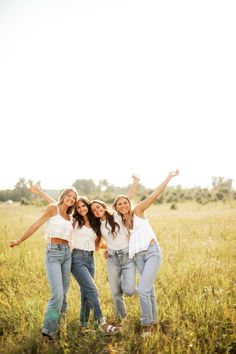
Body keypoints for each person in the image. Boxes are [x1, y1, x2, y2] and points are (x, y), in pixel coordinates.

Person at [29, 186, 120, 334]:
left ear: (88, 206)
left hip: (90, 259)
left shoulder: (95, 223)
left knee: (85, 294)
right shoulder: (73, 220)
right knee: (92, 290)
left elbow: (96, 243)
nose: (82, 208)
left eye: (84, 205)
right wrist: (40, 193)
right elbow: (57, 206)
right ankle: (101, 322)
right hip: (76, 259)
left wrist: (110, 247)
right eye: (78, 206)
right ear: (75, 209)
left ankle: (84, 325)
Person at [112, 170, 179, 335]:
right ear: (116, 208)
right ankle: (153, 322)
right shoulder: (121, 222)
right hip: (138, 257)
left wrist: (169, 177)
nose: (123, 205)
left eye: (125, 202)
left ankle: (146, 325)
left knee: (142, 289)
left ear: (129, 203)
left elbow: (155, 194)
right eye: (119, 204)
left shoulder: (139, 211)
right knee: (149, 291)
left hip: (151, 253)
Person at [9, 187, 78, 340]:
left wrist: (41, 193)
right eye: (69, 195)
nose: (71, 198)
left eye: (74, 197)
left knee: (64, 295)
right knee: (57, 294)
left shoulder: (70, 216)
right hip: (53, 253)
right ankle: (48, 331)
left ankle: (60, 327)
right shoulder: (53, 209)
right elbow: (36, 224)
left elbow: (57, 203)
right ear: (63, 196)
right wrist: (19, 240)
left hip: (67, 254)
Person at [89, 174, 140, 322]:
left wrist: (135, 182)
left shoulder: (117, 215)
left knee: (130, 290)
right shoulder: (98, 226)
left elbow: (128, 198)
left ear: (103, 207)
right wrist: (108, 248)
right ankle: (122, 318)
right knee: (115, 292)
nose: (97, 210)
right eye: (94, 210)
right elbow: (99, 244)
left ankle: (144, 292)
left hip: (127, 255)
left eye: (98, 207)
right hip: (112, 258)